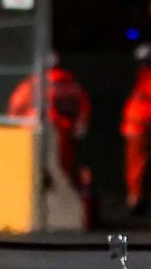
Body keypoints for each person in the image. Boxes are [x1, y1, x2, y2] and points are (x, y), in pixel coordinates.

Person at [8, 53, 93, 222]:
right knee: (66, 172)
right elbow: (83, 110)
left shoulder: (35, 83)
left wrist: (18, 127)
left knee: (35, 175)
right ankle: (74, 216)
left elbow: (15, 107)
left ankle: (38, 216)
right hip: (65, 134)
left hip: (36, 135)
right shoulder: (72, 84)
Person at [118, 43, 151, 218]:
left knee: (138, 167)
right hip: (138, 127)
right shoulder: (147, 77)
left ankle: (138, 200)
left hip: (141, 127)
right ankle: (138, 200)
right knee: (137, 167)